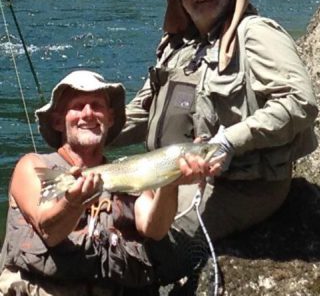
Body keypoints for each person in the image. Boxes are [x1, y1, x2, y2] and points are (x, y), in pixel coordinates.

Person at [113, 0, 318, 288]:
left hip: (244, 186)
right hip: (174, 175)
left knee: (151, 254)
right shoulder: (177, 49)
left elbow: (301, 103)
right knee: (104, 222)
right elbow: (144, 113)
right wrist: (88, 131)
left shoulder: (257, 34)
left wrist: (229, 141)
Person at [0, 70, 218, 295]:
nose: (88, 113)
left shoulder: (130, 174)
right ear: (57, 121)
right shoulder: (33, 166)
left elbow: (154, 229)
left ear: (110, 118)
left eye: (97, 105)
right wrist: (73, 203)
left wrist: (171, 183)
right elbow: (49, 232)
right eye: (78, 106)